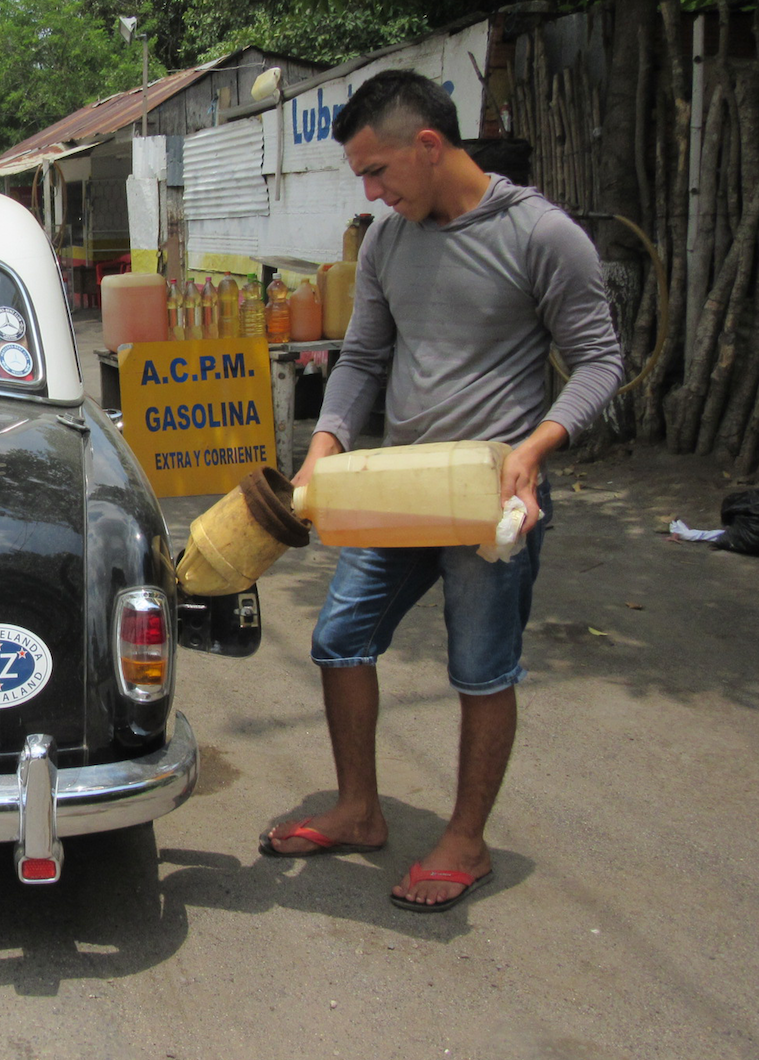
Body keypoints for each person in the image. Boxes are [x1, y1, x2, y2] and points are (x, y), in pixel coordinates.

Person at [259, 70, 624, 911]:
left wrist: (535, 447)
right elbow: (364, 360)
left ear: (429, 146)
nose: (372, 192)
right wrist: (322, 450)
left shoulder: (543, 236)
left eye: (377, 171)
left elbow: (601, 362)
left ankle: (466, 835)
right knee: (339, 637)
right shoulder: (388, 243)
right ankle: (358, 809)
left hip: (490, 495)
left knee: (481, 666)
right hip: (400, 486)